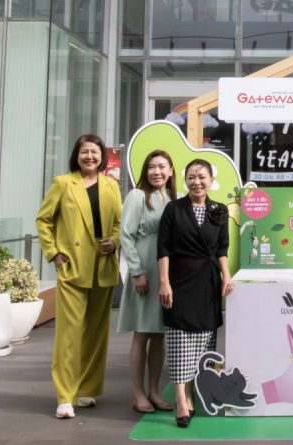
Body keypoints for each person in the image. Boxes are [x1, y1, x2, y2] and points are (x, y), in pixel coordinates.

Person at [36, 134, 122, 419]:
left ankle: (86, 389)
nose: (90, 157)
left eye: (94, 152)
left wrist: (115, 241)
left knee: (96, 333)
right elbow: (44, 219)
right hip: (72, 263)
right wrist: (54, 253)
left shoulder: (111, 185)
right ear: (77, 155)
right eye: (85, 152)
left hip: (102, 262)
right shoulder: (63, 183)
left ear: (102, 156)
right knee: (69, 334)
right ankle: (65, 396)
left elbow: (119, 222)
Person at [157, 158, 234, 428]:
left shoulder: (219, 210)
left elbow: (222, 249)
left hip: (207, 283)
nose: (197, 182)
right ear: (185, 180)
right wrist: (164, 282)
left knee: (203, 341)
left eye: (202, 177)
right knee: (179, 340)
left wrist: (226, 276)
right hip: (179, 281)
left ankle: (191, 394)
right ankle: (180, 399)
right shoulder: (174, 209)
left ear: (211, 181)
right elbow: (163, 248)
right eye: (191, 177)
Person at [117, 150, 177, 414]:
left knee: (159, 334)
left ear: (171, 170)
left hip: (166, 271)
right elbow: (126, 235)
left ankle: (154, 390)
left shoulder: (173, 198)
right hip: (145, 268)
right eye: (152, 167)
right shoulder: (137, 195)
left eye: (162, 166)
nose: (157, 172)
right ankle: (138, 393)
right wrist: (137, 272)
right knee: (142, 334)